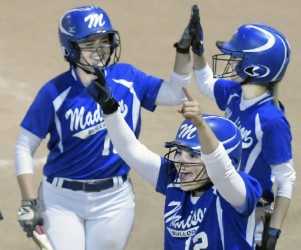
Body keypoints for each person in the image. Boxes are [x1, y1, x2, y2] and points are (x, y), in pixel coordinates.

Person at [15, 5, 197, 250]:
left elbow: (176, 94)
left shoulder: (128, 78)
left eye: (105, 40)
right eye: (89, 43)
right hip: (61, 200)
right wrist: (29, 200)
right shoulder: (55, 92)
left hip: (114, 199)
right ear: (70, 48)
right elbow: (24, 146)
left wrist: (183, 51)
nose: (100, 49)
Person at [87, 75, 262, 249]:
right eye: (179, 152)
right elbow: (130, 150)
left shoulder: (236, 194)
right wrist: (109, 108)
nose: (181, 161)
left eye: (193, 155)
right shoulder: (174, 181)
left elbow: (223, 173)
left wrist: (201, 125)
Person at [187, 5, 296, 250]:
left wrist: (273, 232)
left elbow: (285, 178)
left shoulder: (271, 120)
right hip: (221, 201)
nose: (228, 60)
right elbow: (205, 82)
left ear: (255, 69)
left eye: (236, 58)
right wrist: (198, 49)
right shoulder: (235, 94)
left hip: (251, 213)